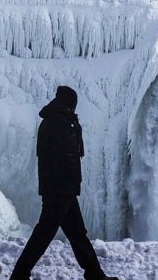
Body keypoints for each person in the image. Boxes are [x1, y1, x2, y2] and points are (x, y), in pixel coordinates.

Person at [10, 86, 118, 280]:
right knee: (45, 234)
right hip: (59, 189)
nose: (74, 110)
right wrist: (72, 179)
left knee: (77, 234)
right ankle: (19, 274)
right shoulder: (58, 123)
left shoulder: (56, 120)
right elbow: (67, 155)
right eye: (73, 105)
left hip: (60, 188)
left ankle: (95, 274)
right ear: (68, 103)